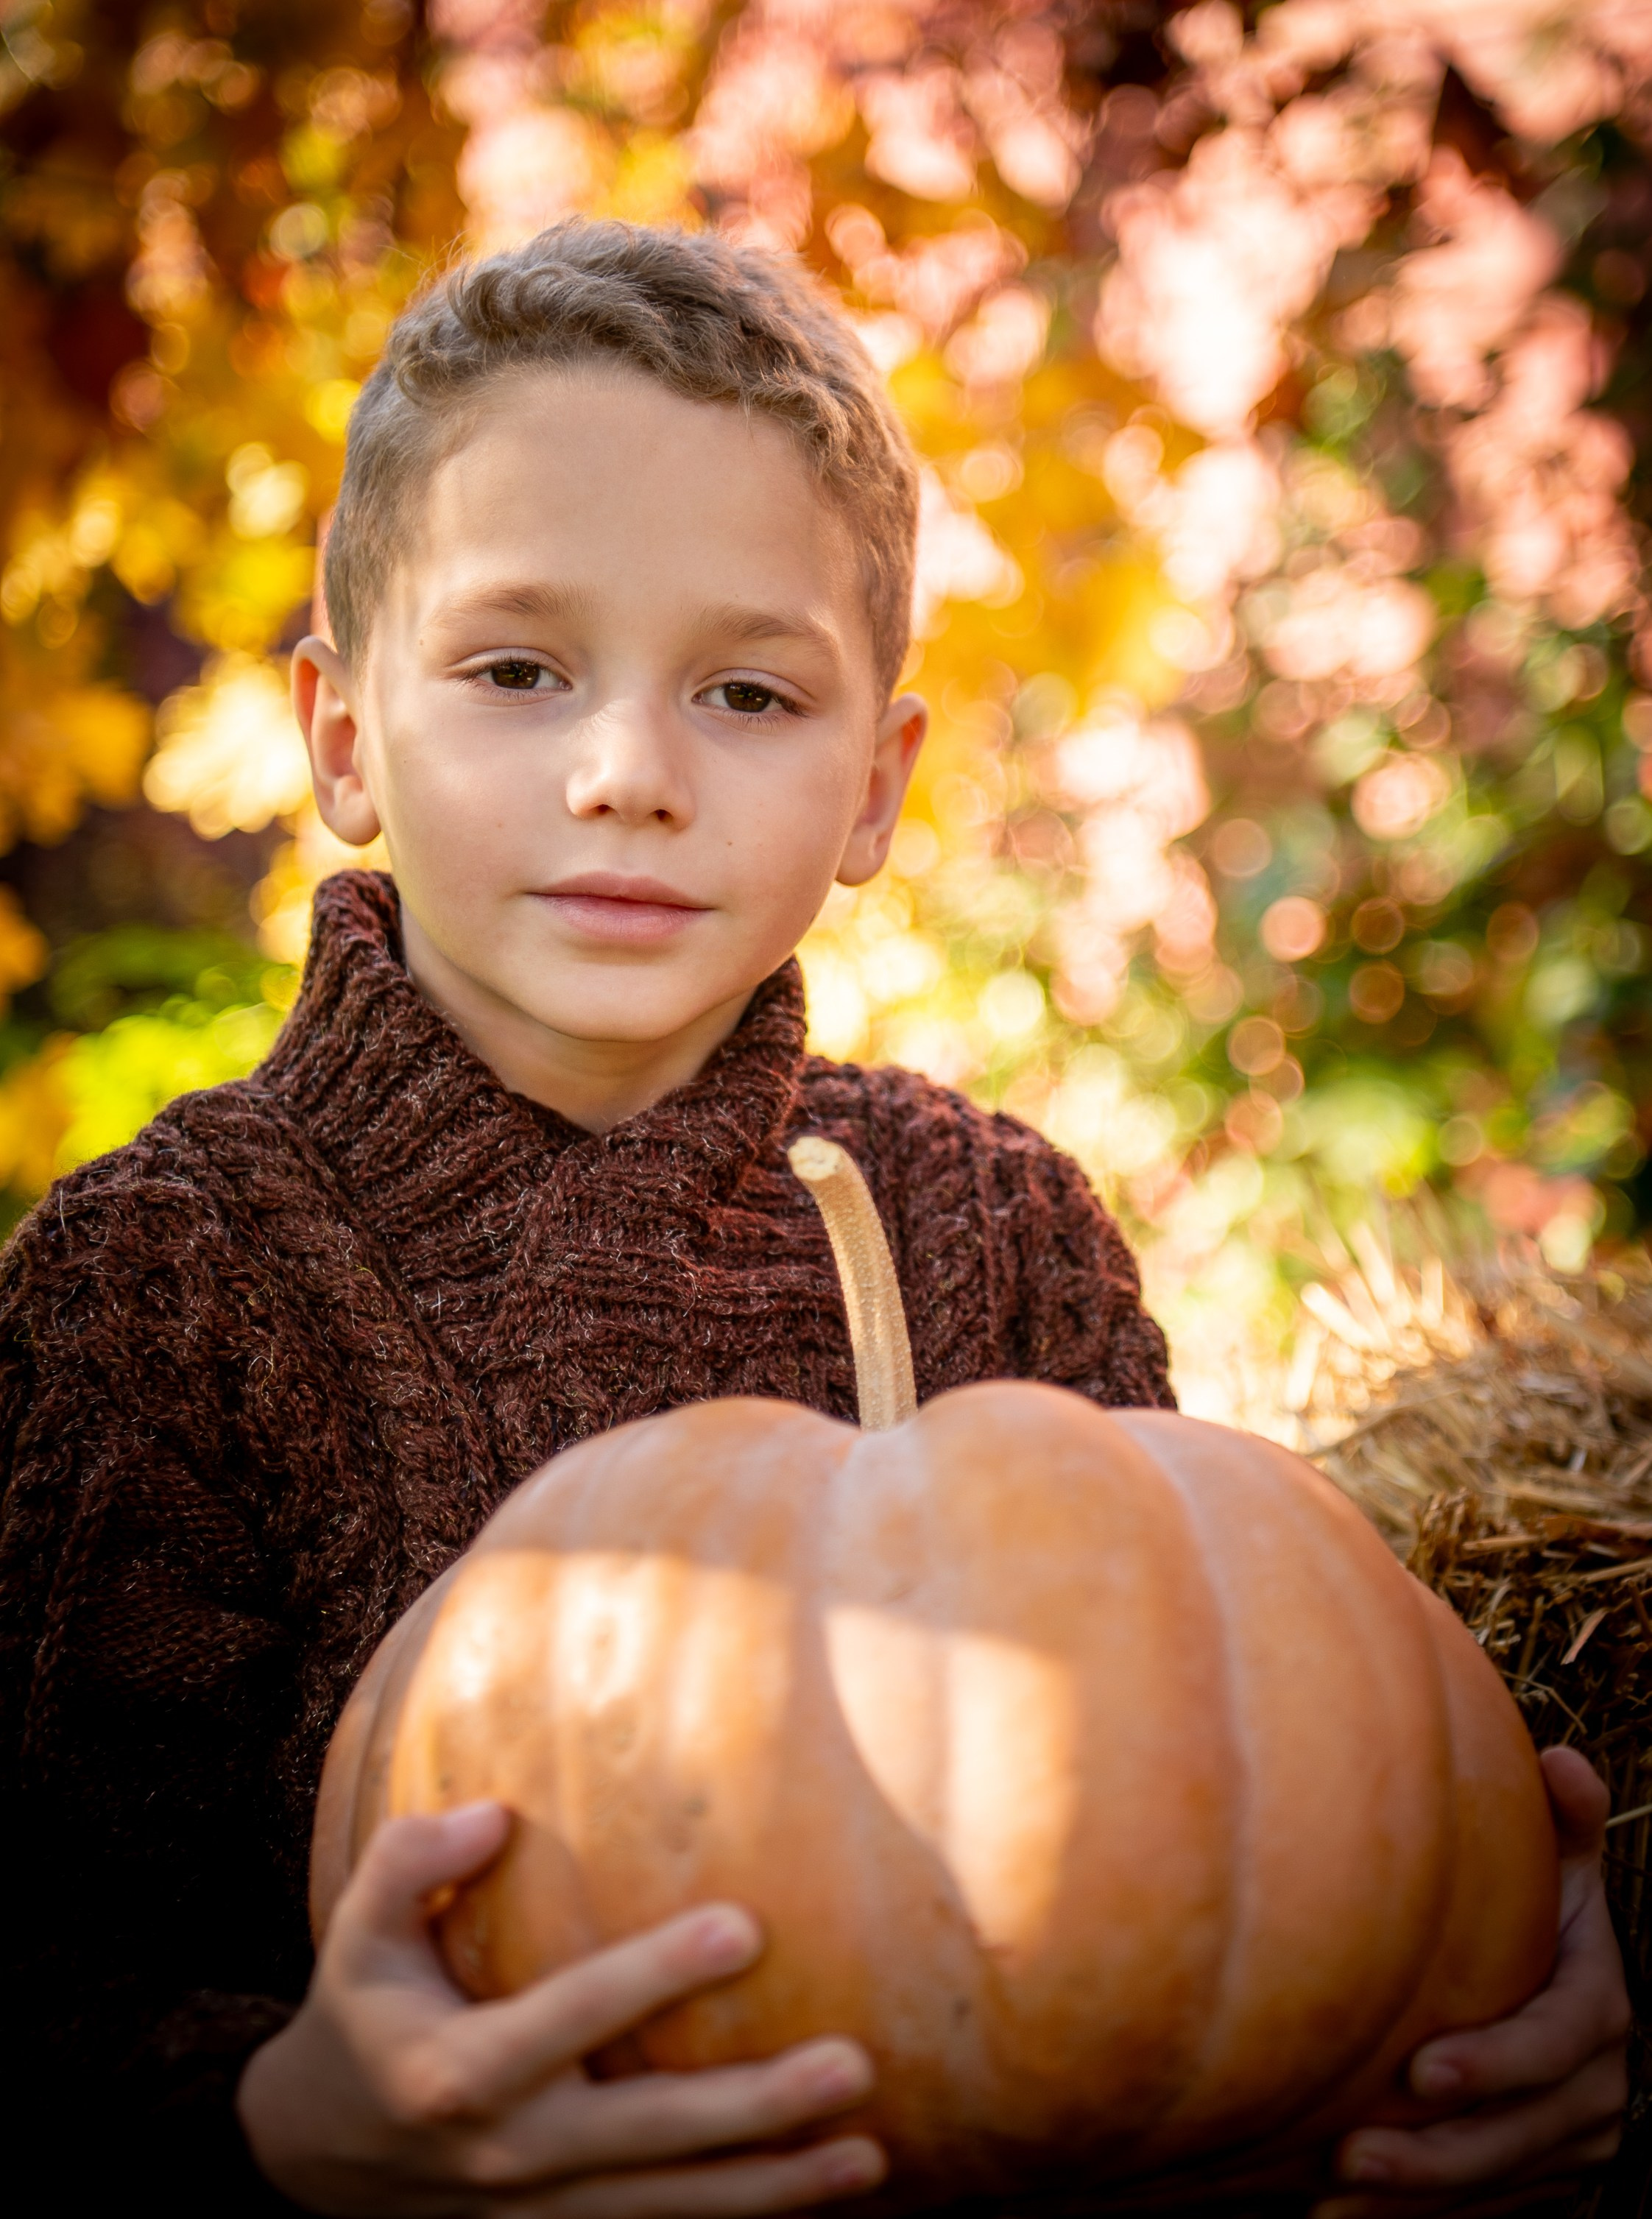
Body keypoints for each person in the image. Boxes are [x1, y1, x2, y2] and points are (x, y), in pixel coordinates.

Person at [0, 219, 1628, 2217]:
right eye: (517, 670)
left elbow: (1224, 1815)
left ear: (875, 783)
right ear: (342, 736)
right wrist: (275, 2120)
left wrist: (1470, 2019)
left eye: (747, 697)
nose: (626, 775)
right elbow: (34, 1975)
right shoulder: (155, 1286)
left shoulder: (995, 1230)